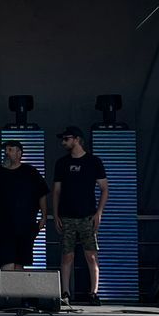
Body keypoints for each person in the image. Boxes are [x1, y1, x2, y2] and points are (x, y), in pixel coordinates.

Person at [52, 125, 109, 304]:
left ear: (77, 139)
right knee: (67, 255)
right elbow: (56, 191)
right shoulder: (62, 163)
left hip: (87, 215)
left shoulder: (93, 161)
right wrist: (56, 215)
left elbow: (104, 188)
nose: (64, 142)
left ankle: (94, 293)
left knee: (91, 255)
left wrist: (98, 212)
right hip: (67, 216)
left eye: (67, 139)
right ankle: (65, 293)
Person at [0, 139, 48, 271]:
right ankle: (7, 291)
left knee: (20, 263)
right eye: (5, 150)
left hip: (25, 225)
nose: (7, 153)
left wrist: (44, 216)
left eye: (10, 150)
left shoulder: (30, 172)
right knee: (7, 261)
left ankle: (18, 291)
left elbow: (42, 194)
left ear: (19, 153)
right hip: (2, 225)